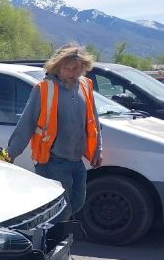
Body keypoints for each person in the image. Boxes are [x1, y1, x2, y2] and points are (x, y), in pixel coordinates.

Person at [7, 44, 103, 220]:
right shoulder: (43, 89)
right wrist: (11, 153)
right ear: (57, 67)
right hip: (52, 161)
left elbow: (93, 120)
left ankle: (57, 234)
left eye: (77, 68)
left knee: (77, 202)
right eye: (68, 69)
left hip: (76, 160)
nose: (72, 73)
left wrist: (97, 150)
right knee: (60, 210)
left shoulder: (84, 86)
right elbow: (26, 123)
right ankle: (56, 241)